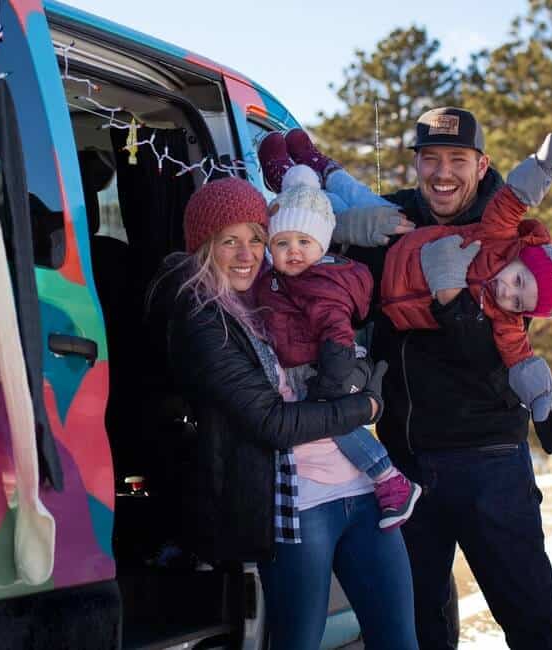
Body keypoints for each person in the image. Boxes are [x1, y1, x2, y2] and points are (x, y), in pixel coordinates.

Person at [303, 106, 552, 649]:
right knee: (418, 625)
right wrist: (341, 230)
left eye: (458, 159)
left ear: (482, 165)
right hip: (404, 464)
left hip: (488, 461)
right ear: (417, 165)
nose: (443, 173)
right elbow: (310, 247)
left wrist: (451, 296)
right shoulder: (395, 218)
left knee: (532, 618)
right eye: (430, 159)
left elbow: (494, 351)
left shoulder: (508, 236)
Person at [153, 176, 418, 650]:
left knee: (399, 641)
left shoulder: (275, 292)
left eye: (256, 238)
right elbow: (272, 424)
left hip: (363, 491)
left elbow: (320, 241)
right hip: (301, 504)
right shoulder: (202, 320)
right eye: (228, 241)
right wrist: (366, 406)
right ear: (203, 247)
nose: (245, 253)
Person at [258, 121, 552, 454]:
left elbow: (521, 358)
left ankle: (293, 181)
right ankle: (313, 168)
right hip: (402, 236)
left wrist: (543, 406)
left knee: (332, 209)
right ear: (526, 256)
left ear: (481, 165)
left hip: (389, 304)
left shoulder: (503, 318)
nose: (509, 294)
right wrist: (546, 161)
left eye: (521, 302)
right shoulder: (498, 235)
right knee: (358, 197)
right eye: (518, 281)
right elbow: (515, 197)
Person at [253, 165, 422, 530]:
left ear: (322, 244)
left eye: (304, 243)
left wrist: (329, 385)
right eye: (282, 244)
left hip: (326, 366)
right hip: (305, 366)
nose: (293, 251)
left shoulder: (320, 283)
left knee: (333, 425)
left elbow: (335, 332)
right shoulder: (282, 279)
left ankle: (388, 476)